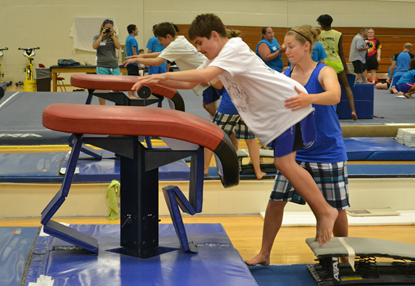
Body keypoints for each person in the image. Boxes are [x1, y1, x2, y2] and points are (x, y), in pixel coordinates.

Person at [131, 13, 339, 246]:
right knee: (285, 165)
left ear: (214, 35)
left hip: (289, 108)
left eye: (200, 43)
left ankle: (325, 212)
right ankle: (321, 214)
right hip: (278, 116)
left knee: (284, 164)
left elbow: (205, 76)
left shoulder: (234, 49)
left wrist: (162, 74)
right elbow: (193, 82)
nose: (198, 49)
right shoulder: (218, 56)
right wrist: (157, 81)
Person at [245, 25, 349, 266]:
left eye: (290, 46)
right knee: (275, 201)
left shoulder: (324, 72)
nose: (286, 50)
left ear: (306, 47)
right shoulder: (285, 74)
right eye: (284, 46)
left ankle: (344, 257)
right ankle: (265, 253)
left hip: (327, 151)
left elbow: (334, 95)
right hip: (295, 153)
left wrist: (307, 98)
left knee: (337, 208)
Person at [204, 28, 266, 180]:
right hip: (247, 105)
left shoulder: (226, 59)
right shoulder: (245, 56)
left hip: (230, 105)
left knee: (214, 136)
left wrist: (207, 79)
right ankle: (258, 171)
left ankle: (205, 168)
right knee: (250, 139)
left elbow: (218, 85)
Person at [124, 22, 219, 118]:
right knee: (209, 106)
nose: (160, 42)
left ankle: (222, 125)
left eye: (160, 40)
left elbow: (156, 62)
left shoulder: (176, 45)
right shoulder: (179, 40)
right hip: (205, 73)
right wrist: (142, 56)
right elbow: (161, 53)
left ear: (168, 36)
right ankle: (220, 124)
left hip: (208, 74)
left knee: (210, 107)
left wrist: (137, 59)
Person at [317, 14, 358, 121]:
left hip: (324, 63)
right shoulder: (338, 34)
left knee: (324, 90)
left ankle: (326, 113)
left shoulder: (318, 34)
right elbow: (342, 52)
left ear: (321, 24)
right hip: (337, 63)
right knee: (347, 87)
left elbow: (316, 51)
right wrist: (346, 68)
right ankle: (353, 110)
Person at [92, 19, 121, 105]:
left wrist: (113, 35)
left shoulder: (113, 37)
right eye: (107, 27)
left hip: (114, 65)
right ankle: (102, 107)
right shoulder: (97, 37)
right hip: (102, 65)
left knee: (117, 87)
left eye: (110, 27)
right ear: (102, 27)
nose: (108, 29)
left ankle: (118, 106)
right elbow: (94, 46)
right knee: (102, 88)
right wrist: (102, 35)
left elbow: (118, 46)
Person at [125, 24, 140, 98]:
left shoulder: (128, 38)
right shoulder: (132, 39)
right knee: (132, 79)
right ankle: (130, 94)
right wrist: (138, 63)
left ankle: (133, 93)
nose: (138, 31)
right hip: (132, 62)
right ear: (133, 31)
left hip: (130, 61)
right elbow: (134, 52)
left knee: (133, 78)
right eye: (136, 29)